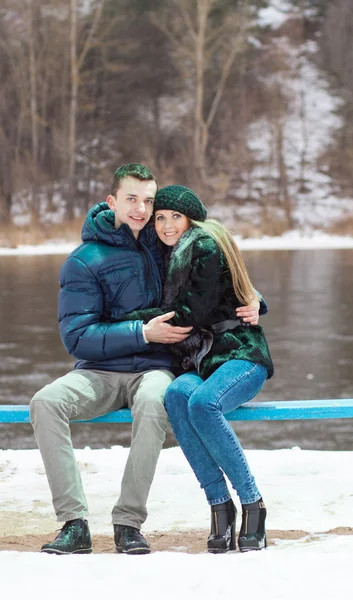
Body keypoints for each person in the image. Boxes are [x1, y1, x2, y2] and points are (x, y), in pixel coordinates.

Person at [29, 164, 194, 555]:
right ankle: (73, 525)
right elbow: (77, 338)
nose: (141, 209)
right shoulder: (84, 260)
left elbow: (224, 275)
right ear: (112, 202)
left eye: (148, 200)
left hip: (155, 369)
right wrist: (142, 333)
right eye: (131, 198)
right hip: (99, 373)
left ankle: (128, 523)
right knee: (45, 402)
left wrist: (255, 301)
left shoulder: (170, 243)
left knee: (155, 402)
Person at [118, 184, 274, 553]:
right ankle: (219, 506)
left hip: (240, 355)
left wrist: (125, 321)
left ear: (191, 219)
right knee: (177, 395)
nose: (167, 225)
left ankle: (252, 504)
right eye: (160, 217)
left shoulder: (202, 246)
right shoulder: (167, 252)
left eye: (176, 217)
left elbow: (191, 315)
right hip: (200, 359)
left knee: (204, 403)